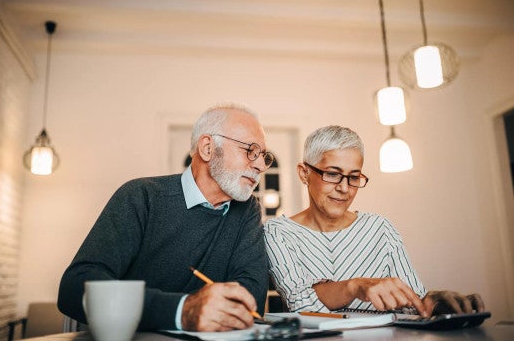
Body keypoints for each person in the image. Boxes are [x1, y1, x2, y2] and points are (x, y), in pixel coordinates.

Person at [58, 105, 274, 332]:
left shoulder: (247, 210)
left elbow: (250, 300)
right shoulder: (141, 196)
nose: (260, 166)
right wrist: (182, 311)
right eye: (251, 150)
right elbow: (74, 289)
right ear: (208, 148)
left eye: (263, 156)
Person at [264, 125, 484, 317]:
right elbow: (302, 305)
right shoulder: (278, 232)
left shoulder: (380, 229)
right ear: (304, 173)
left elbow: (412, 305)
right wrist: (355, 287)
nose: (344, 188)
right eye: (332, 174)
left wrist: (435, 301)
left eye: (354, 177)